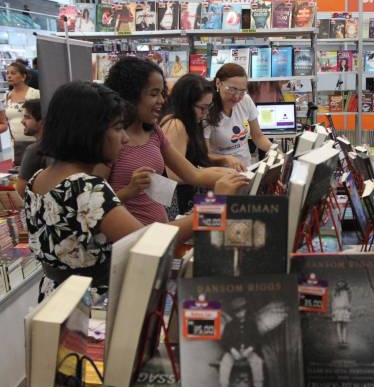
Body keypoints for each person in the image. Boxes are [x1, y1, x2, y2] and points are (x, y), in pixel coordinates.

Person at [24, 81, 244, 300]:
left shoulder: (37, 179)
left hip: (56, 299)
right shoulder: (87, 188)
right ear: (90, 130)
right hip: (93, 306)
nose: (125, 138)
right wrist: (216, 204)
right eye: (117, 128)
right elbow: (151, 243)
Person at [99, 56, 241, 225]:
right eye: (154, 94)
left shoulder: (154, 131)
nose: (161, 100)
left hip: (161, 230)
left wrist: (237, 179)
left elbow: (193, 174)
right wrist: (128, 192)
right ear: (131, 95)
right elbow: (96, 206)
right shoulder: (109, 141)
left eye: (162, 93)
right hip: (139, 236)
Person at [161, 74, 245, 214]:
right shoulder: (175, 125)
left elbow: (195, 161)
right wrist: (218, 175)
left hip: (188, 195)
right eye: (202, 108)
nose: (206, 113)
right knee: (208, 223)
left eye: (209, 107)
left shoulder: (192, 122)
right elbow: (175, 175)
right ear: (186, 104)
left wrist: (222, 164)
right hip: (178, 202)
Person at [206, 63, 274, 168]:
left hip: (246, 168)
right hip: (220, 172)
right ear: (218, 83)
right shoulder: (206, 109)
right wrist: (225, 159)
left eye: (242, 91)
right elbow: (204, 155)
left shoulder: (245, 100)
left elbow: (258, 136)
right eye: (232, 90)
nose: (237, 96)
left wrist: (274, 150)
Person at [219, 297, 263, 387]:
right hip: (233, 352)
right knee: (225, 362)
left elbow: (257, 339)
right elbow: (224, 341)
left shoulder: (252, 324)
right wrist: (232, 350)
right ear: (234, 313)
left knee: (257, 361)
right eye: (237, 312)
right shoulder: (229, 325)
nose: (240, 313)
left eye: (242, 310)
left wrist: (250, 349)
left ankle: (258, 385)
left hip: (248, 352)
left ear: (245, 310)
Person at [5, 61, 40, 165]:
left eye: (13, 73)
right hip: (16, 143)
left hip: (34, 141)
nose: (9, 76)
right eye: (7, 73)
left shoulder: (35, 93)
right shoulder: (7, 96)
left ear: (23, 76)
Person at [16, 99, 46, 197]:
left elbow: (20, 192)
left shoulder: (34, 150)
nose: (22, 121)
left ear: (41, 122)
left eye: (27, 117)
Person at [332, 280, 351, 346]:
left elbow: (347, 301)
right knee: (341, 325)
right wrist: (333, 311)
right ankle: (341, 340)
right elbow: (333, 302)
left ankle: (342, 340)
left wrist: (349, 309)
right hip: (340, 310)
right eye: (340, 284)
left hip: (342, 310)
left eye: (342, 284)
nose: (341, 285)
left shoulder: (345, 292)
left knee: (342, 325)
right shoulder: (336, 292)